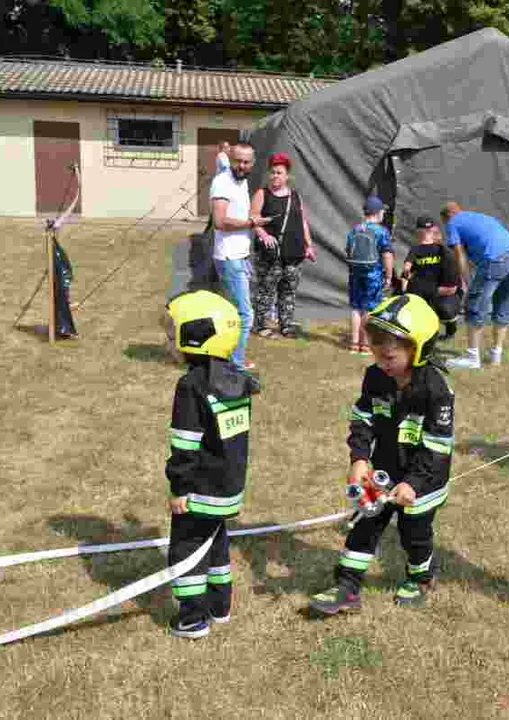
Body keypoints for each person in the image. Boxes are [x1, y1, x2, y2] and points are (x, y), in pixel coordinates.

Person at [309, 294, 454, 615]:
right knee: (365, 522)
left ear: (419, 350)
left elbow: (437, 447)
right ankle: (347, 587)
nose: (382, 363)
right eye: (377, 354)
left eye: (390, 357)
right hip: (384, 472)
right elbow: (363, 418)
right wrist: (359, 457)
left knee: (414, 533)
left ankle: (420, 577)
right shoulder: (375, 377)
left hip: (424, 482)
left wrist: (414, 484)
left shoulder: (436, 390)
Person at [164, 290, 259, 639]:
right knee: (216, 541)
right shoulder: (237, 380)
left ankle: (191, 619)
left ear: (195, 335)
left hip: (199, 490)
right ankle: (220, 605)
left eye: (173, 332)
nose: (168, 340)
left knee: (187, 546)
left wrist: (179, 487)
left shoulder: (191, 386)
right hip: (228, 488)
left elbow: (186, 443)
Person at [440, 202, 509, 370]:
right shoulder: (481, 217)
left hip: (496, 259)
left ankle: (472, 358)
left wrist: (467, 283)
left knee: (475, 304)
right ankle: (496, 355)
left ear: (446, 217)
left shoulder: (453, 223)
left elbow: (459, 254)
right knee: (503, 304)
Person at [209, 142, 270, 371]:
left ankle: (228, 356)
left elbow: (223, 156)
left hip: (240, 256)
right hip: (229, 257)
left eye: (246, 162)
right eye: (238, 161)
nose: (242, 165)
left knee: (236, 312)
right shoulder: (223, 182)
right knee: (245, 314)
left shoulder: (240, 181)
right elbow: (220, 221)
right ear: (232, 161)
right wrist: (251, 222)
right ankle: (235, 363)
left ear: (252, 164)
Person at [250, 152, 316, 339]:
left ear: (287, 176)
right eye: (272, 172)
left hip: (294, 252)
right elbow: (253, 219)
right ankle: (261, 324)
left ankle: (285, 325)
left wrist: (308, 245)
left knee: (288, 291)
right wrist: (263, 234)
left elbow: (302, 221)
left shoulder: (295, 196)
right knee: (266, 290)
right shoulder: (262, 194)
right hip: (271, 253)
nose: (275, 176)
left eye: (279, 172)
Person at [345, 196, 394, 354]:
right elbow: (387, 255)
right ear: (377, 212)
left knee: (356, 307)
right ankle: (365, 345)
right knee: (369, 308)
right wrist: (389, 275)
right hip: (373, 273)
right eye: (382, 211)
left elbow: (348, 250)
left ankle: (354, 344)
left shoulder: (355, 229)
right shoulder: (381, 231)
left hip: (355, 273)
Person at [401, 216, 460, 339]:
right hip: (437, 289)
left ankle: (432, 333)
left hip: (434, 291)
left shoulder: (416, 249)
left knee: (428, 312)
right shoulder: (442, 249)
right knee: (430, 314)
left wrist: (405, 289)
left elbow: (406, 269)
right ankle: (439, 333)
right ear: (433, 229)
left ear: (418, 231)